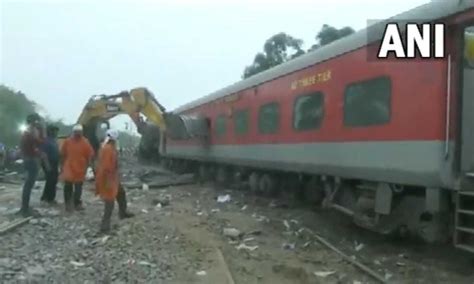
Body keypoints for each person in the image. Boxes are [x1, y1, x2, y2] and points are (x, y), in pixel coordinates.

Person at [95, 129, 134, 233]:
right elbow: (107, 167)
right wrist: (108, 181)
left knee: (121, 193)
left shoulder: (107, 148)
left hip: (111, 177)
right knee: (109, 201)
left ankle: (123, 212)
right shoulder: (108, 149)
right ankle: (105, 226)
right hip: (108, 178)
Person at [60, 124, 94, 212]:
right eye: (76, 133)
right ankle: (68, 204)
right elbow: (62, 154)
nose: (78, 134)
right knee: (68, 187)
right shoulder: (67, 141)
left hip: (80, 168)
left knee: (78, 187)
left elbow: (90, 155)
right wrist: (62, 166)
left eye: (79, 133)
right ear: (73, 132)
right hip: (69, 168)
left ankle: (77, 203)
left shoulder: (85, 142)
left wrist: (89, 166)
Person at [18, 113, 44, 217]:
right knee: (29, 184)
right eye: (37, 121)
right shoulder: (31, 131)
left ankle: (25, 207)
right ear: (34, 121)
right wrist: (42, 132)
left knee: (28, 184)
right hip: (31, 159)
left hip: (27, 158)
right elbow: (39, 142)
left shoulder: (26, 131)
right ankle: (25, 208)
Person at [40, 125, 60, 205]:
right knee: (51, 180)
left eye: (56, 131)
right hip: (48, 162)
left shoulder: (54, 141)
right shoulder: (46, 141)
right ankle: (49, 198)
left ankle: (46, 197)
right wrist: (47, 165)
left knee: (53, 180)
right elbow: (43, 154)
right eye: (54, 130)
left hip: (54, 162)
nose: (56, 132)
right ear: (50, 131)